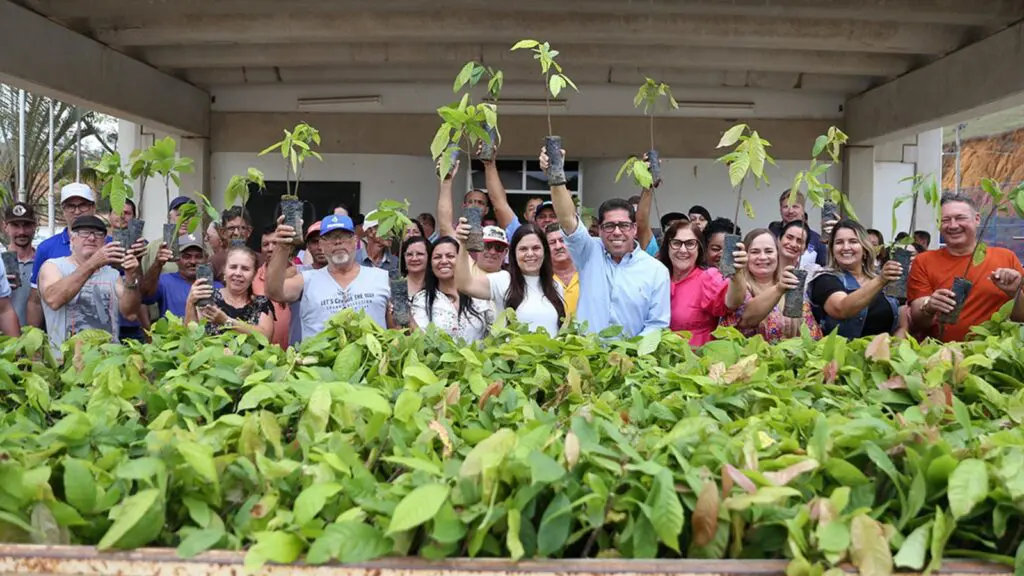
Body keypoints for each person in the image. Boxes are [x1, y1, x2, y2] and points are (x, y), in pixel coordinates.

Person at [541, 147, 669, 337]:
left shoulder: (656, 270)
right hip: (588, 357)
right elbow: (567, 218)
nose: (617, 232)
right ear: (599, 230)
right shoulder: (588, 251)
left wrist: (630, 353)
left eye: (624, 225)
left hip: (632, 361)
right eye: (609, 226)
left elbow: (657, 324)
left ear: (634, 229)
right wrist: (556, 174)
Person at [908, 193, 1024, 342]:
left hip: (994, 352)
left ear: (977, 219)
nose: (953, 225)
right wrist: (929, 305)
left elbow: (1020, 318)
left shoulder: (1005, 258)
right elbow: (918, 321)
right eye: (945, 220)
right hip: (939, 353)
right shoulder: (924, 261)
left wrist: (1014, 292)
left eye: (960, 218)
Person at [266, 214, 391, 340]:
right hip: (319, 358)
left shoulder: (381, 277)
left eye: (344, 236)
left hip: (370, 358)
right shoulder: (306, 279)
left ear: (355, 240)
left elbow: (398, 328)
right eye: (330, 237)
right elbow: (274, 292)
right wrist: (282, 246)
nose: (338, 242)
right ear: (321, 244)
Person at [38, 215, 141, 353]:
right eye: (84, 233)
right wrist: (93, 263)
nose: (92, 238)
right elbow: (54, 299)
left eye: (98, 234)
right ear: (72, 239)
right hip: (66, 363)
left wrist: (131, 277)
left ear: (104, 242)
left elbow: (131, 313)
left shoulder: (113, 274)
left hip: (107, 362)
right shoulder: (53, 266)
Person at [455, 221, 564, 335]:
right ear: (513, 254)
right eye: (523, 249)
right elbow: (464, 285)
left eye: (536, 248)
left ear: (545, 252)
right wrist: (463, 244)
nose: (530, 254)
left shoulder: (556, 286)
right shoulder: (503, 280)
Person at [808, 219, 907, 339]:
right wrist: (880, 280)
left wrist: (893, 347)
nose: (846, 247)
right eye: (839, 242)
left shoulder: (882, 279)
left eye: (853, 241)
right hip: (841, 355)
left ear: (865, 248)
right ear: (832, 250)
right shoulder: (825, 279)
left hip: (885, 353)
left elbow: (902, 323)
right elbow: (841, 309)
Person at [721, 228, 822, 343]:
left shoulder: (789, 283)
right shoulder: (739, 287)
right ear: (745, 256)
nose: (763, 257)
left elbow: (812, 333)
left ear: (777, 254)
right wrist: (779, 289)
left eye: (769, 251)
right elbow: (746, 320)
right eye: (755, 252)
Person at [657, 220, 745, 346]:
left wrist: (738, 273)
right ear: (667, 246)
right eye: (676, 243)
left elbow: (732, 302)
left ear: (699, 248)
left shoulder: (707, 277)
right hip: (659, 359)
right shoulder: (657, 277)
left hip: (698, 359)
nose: (683, 250)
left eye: (690, 244)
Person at [411, 237, 493, 342]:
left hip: (478, 357)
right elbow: (422, 341)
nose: (444, 261)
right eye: (437, 257)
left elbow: (493, 333)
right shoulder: (422, 299)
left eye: (450, 256)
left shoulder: (477, 294)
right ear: (430, 264)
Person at [435, 160, 508, 274]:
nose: (475, 205)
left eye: (480, 203)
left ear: (486, 210)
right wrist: (446, 182)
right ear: (464, 206)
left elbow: (501, 205)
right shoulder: (457, 231)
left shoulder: (493, 232)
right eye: (471, 202)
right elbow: (445, 226)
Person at [186, 246, 274, 339]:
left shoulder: (261, 303)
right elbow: (191, 337)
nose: (238, 273)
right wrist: (190, 303)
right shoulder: (207, 297)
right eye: (233, 267)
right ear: (224, 270)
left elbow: (265, 337)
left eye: (245, 269)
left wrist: (226, 321)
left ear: (254, 274)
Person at [142, 234, 219, 320]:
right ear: (177, 260)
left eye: (198, 256)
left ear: (206, 259)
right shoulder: (165, 281)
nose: (193, 261)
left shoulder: (217, 287)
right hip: (174, 332)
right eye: (187, 257)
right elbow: (145, 297)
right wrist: (157, 264)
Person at [769, 189, 828, 267]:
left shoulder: (816, 239)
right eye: (786, 207)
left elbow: (824, 267)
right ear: (780, 210)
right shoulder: (771, 234)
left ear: (803, 210)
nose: (790, 211)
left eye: (795, 206)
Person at [4, 202, 37, 327]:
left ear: (34, 226)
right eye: (15, 226)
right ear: (5, 226)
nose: (21, 231)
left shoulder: (46, 264)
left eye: (26, 225)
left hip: (36, 339)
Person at [143, 195, 194, 276]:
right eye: (179, 214)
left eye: (190, 216)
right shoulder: (154, 246)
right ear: (169, 216)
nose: (185, 220)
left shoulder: (200, 246)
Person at [545, 223, 578, 316]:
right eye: (552, 242)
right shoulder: (543, 279)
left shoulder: (587, 273)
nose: (558, 246)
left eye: (562, 240)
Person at [357, 211, 400, 277]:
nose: (392, 234)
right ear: (370, 232)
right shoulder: (354, 260)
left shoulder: (395, 262)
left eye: (392, 229)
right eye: (386, 228)